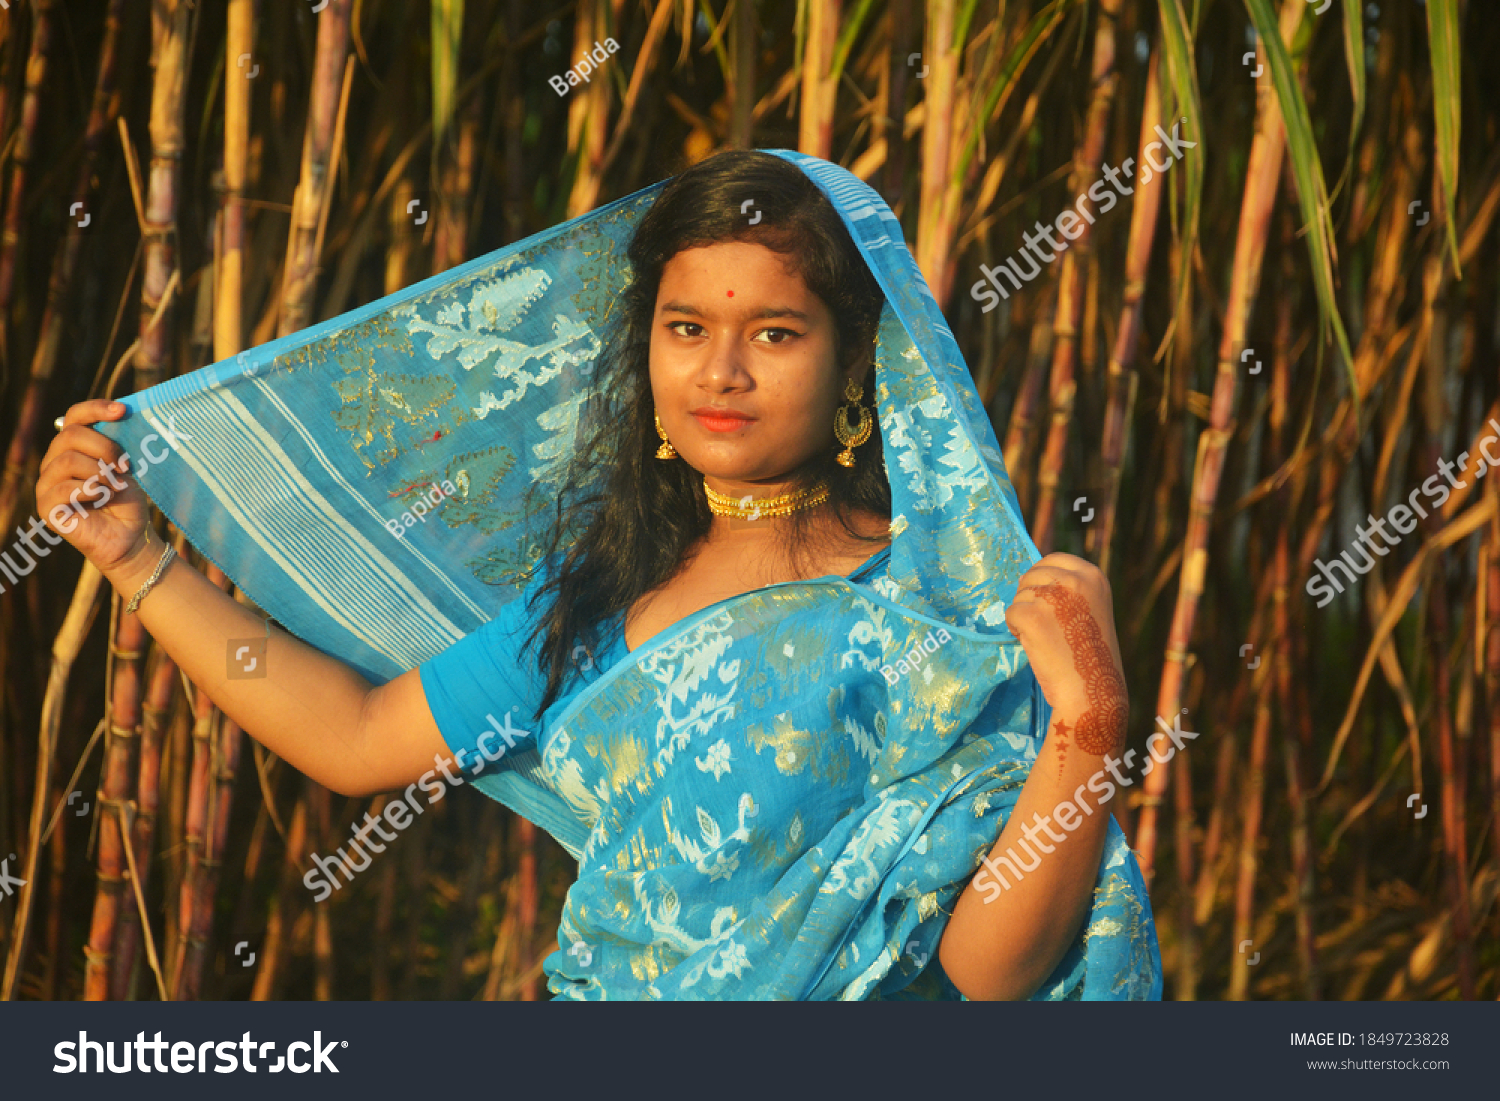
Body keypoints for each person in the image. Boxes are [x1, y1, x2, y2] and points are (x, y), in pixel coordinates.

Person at [38, 149, 1160, 1000]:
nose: (719, 370)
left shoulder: (938, 614)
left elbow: (989, 972)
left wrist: (1090, 726)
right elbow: (355, 734)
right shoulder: (601, 601)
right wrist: (137, 555)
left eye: (775, 334)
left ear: (855, 360)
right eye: (685, 328)